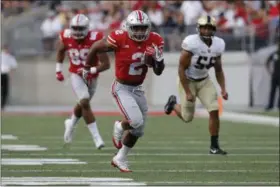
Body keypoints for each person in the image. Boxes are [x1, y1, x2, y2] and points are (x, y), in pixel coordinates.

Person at [83, 10, 165, 172]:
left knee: (139, 130)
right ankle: (120, 125)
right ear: (128, 27)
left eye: (143, 28)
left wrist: (158, 59)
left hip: (138, 89)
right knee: (136, 121)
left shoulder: (155, 40)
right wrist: (87, 66)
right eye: (136, 28)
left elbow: (158, 71)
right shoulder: (119, 38)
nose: (140, 32)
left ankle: (120, 157)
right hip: (122, 88)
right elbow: (95, 47)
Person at [164, 15, 228, 155]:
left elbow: (218, 68)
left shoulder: (218, 44)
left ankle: (214, 146)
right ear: (199, 28)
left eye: (209, 28)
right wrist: (187, 91)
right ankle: (173, 104)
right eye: (204, 27)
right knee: (187, 117)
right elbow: (181, 68)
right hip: (187, 80)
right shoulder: (191, 43)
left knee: (214, 110)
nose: (206, 31)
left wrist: (223, 88)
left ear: (214, 29)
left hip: (204, 80)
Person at [56, 14, 110, 149]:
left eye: (81, 28)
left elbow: (106, 64)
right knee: (85, 101)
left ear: (87, 28)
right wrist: (58, 69)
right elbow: (61, 51)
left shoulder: (95, 39)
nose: (78, 32)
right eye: (75, 28)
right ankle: (97, 138)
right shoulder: (66, 36)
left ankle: (71, 123)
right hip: (75, 74)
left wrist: (90, 70)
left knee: (82, 103)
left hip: (92, 75)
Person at [1, 44, 18, 110]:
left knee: (5, 90)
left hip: (5, 74)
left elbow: (13, 67)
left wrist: (11, 75)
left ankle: (2, 105)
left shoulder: (10, 57)